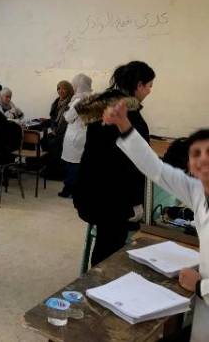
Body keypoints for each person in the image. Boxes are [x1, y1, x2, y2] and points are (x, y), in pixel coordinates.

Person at [103, 100, 209, 342]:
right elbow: (157, 170)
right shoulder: (198, 192)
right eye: (196, 155)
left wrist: (200, 286)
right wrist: (124, 125)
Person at [73, 60, 155, 266]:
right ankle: (99, 281)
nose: (150, 91)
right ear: (139, 85)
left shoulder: (105, 105)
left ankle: (97, 277)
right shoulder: (128, 115)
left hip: (91, 189)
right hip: (112, 197)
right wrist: (135, 202)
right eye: (149, 86)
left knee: (105, 243)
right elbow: (131, 164)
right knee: (110, 249)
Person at [58, 74, 93, 198]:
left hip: (75, 136)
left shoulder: (79, 100)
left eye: (74, 84)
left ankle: (69, 190)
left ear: (79, 85)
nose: (73, 86)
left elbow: (68, 117)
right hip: (83, 134)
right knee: (79, 164)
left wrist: (66, 112)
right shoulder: (91, 98)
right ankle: (77, 189)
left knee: (73, 165)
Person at [44, 80, 75, 180]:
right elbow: (54, 119)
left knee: (54, 143)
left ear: (69, 90)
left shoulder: (71, 103)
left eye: (63, 89)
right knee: (44, 140)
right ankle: (48, 169)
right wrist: (53, 128)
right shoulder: (57, 102)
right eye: (58, 88)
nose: (60, 91)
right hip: (57, 131)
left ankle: (57, 173)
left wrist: (57, 131)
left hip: (66, 132)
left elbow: (67, 121)